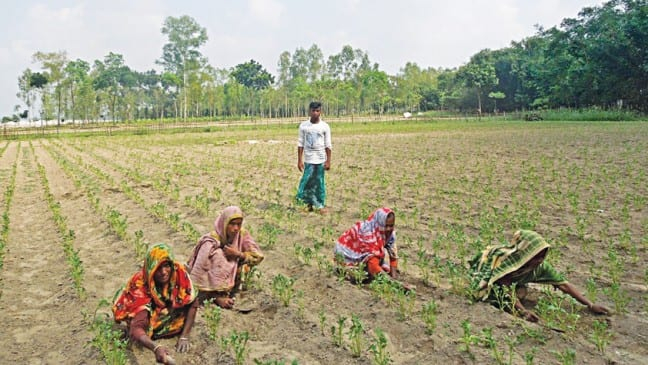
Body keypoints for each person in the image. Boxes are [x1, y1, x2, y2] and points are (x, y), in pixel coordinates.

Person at [469, 229, 610, 322]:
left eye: (542, 256)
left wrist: (590, 305)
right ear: (525, 252)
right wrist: (523, 312)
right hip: (494, 276)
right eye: (536, 256)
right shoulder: (507, 265)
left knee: (521, 293)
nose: (540, 260)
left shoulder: (540, 268)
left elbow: (564, 286)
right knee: (491, 297)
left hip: (511, 282)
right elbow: (507, 289)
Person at [112, 243, 197, 365]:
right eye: (158, 268)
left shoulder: (178, 273)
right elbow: (136, 328)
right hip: (139, 308)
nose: (163, 272)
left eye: (166, 266)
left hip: (162, 311)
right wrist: (156, 348)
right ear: (151, 269)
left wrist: (185, 336)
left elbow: (193, 303)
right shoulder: (140, 286)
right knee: (141, 327)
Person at [187, 206, 264, 309]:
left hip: (233, 276)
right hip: (212, 276)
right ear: (224, 223)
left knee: (244, 266)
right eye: (232, 224)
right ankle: (215, 295)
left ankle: (229, 292)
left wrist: (239, 254)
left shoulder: (241, 234)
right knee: (218, 256)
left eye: (238, 224)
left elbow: (258, 256)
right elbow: (199, 268)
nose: (236, 228)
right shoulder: (210, 240)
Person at [334, 207, 403, 284]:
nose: (388, 229)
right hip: (347, 255)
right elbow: (373, 265)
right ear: (379, 223)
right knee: (359, 277)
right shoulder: (368, 233)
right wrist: (394, 284)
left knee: (380, 268)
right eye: (385, 225)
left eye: (391, 226)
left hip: (364, 255)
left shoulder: (390, 234)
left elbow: (393, 255)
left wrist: (394, 277)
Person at [296, 101, 332, 214]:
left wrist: (328, 161)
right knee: (307, 182)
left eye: (318, 111)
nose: (315, 113)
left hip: (320, 160)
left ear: (320, 112)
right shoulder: (304, 126)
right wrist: (299, 160)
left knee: (319, 182)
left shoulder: (325, 126)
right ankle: (308, 204)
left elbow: (328, 144)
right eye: (313, 111)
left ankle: (320, 205)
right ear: (309, 111)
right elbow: (300, 143)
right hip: (309, 160)